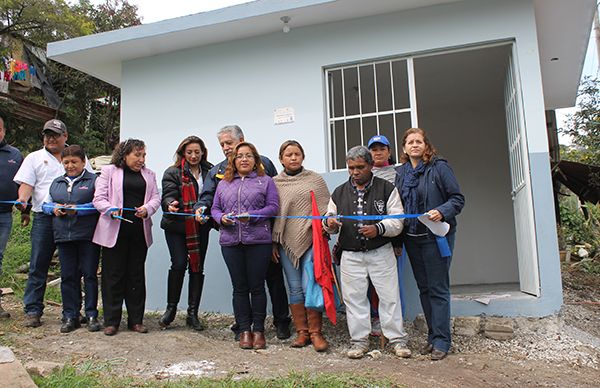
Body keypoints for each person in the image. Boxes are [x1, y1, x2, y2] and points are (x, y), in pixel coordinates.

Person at [194, 125, 291, 340]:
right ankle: (243, 326)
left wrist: (274, 239)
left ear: (243, 141)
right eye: (222, 145)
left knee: (272, 280)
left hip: (263, 238)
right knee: (241, 285)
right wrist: (203, 210)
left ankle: (281, 321)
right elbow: (209, 200)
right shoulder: (217, 172)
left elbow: (275, 203)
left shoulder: (264, 165)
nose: (226, 148)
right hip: (232, 238)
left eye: (229, 143)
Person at [323, 145, 410, 359]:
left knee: (389, 297)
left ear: (370, 165)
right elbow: (328, 219)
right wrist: (330, 222)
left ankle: (397, 340)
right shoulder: (339, 192)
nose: (355, 172)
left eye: (360, 167)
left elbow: (398, 221)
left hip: (380, 251)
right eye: (351, 168)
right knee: (354, 300)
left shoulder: (387, 188)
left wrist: (378, 229)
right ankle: (359, 341)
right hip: (351, 254)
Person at [14, 119, 92, 328]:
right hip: (44, 218)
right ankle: (33, 310)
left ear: (65, 136)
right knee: (38, 263)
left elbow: (92, 183)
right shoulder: (34, 158)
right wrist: (23, 202)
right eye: (47, 134)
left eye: (55, 134)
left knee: (72, 269)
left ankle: (74, 312)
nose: (50, 138)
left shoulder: (77, 155)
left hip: (74, 221)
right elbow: (26, 185)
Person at [395, 128, 464, 361]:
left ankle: (443, 341)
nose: (414, 145)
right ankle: (433, 338)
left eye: (419, 141)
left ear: (426, 145)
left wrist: (441, 211)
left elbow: (457, 199)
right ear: (404, 148)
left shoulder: (439, 167)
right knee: (424, 288)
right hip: (412, 239)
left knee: (438, 289)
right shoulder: (401, 172)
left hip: (436, 237)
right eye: (410, 142)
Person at [211, 142, 279, 350]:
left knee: (257, 286)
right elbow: (215, 208)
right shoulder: (224, 183)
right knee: (239, 288)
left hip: (258, 241)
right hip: (231, 242)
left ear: (255, 160)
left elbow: (273, 207)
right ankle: (244, 331)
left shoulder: (265, 181)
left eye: (249, 156)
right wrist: (222, 218)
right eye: (240, 156)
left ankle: (258, 330)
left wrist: (253, 216)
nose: (244, 159)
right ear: (234, 160)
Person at [92, 139, 160, 336]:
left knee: (136, 276)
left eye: (143, 155)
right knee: (113, 276)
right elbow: (99, 198)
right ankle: (112, 321)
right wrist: (111, 209)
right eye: (137, 155)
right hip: (115, 231)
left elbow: (155, 198)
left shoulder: (149, 175)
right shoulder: (109, 171)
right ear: (124, 155)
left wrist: (147, 209)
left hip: (139, 231)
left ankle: (136, 320)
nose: (141, 159)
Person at [271, 140, 331, 352]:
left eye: (297, 154)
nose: (293, 158)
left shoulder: (315, 180)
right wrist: (273, 243)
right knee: (295, 287)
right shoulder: (274, 183)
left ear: (303, 156)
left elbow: (326, 209)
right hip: (286, 242)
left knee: (311, 285)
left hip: (312, 239)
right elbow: (273, 215)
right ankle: (302, 332)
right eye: (289, 155)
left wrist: (326, 226)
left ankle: (316, 332)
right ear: (281, 159)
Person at [42, 145, 101, 333]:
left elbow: (98, 204)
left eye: (74, 162)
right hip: (63, 236)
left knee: (90, 275)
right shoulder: (56, 182)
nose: (70, 166)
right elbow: (44, 204)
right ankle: (70, 315)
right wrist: (54, 209)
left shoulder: (94, 181)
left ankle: (91, 314)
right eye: (66, 162)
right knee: (68, 277)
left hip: (87, 236)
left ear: (83, 162)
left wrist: (79, 209)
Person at [159, 136, 213, 330]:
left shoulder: (210, 171)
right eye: (189, 152)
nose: (193, 155)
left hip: (200, 226)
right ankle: (171, 309)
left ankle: (192, 313)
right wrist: (170, 204)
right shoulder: (172, 172)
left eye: (197, 152)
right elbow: (168, 194)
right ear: (183, 153)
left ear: (203, 152)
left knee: (197, 267)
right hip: (177, 227)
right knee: (179, 263)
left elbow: (213, 195)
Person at [366, 134, 398, 336]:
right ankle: (375, 317)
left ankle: (393, 323)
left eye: (382, 148)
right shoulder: (363, 173)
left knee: (390, 284)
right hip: (367, 237)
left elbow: (398, 211)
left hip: (391, 236)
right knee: (369, 282)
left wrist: (397, 241)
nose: (378, 152)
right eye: (374, 149)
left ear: (389, 151)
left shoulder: (398, 174)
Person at [0, 115, 24, 319]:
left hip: (4, 216)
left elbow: (24, 185)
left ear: (4, 131)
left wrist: (25, 210)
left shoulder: (15, 155)